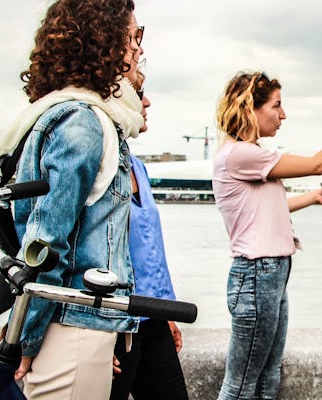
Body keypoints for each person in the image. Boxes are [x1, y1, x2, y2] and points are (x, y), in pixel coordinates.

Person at [0, 0, 146, 398]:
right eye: (132, 36)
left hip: (72, 325)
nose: (138, 48)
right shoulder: (83, 121)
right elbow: (45, 246)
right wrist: (26, 340)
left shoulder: (75, 115)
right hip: (69, 329)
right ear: (103, 43)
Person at [212, 71, 322, 399]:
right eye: (276, 106)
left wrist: (315, 197)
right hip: (256, 275)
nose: (283, 114)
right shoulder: (240, 154)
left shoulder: (248, 155)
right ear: (251, 108)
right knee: (241, 384)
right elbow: (317, 164)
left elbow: (267, 211)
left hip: (270, 275)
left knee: (268, 377)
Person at [109, 71, 190, 400]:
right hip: (113, 323)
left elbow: (151, 248)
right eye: (139, 93)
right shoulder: (101, 161)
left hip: (151, 318)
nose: (147, 102)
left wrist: (167, 310)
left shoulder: (138, 167)